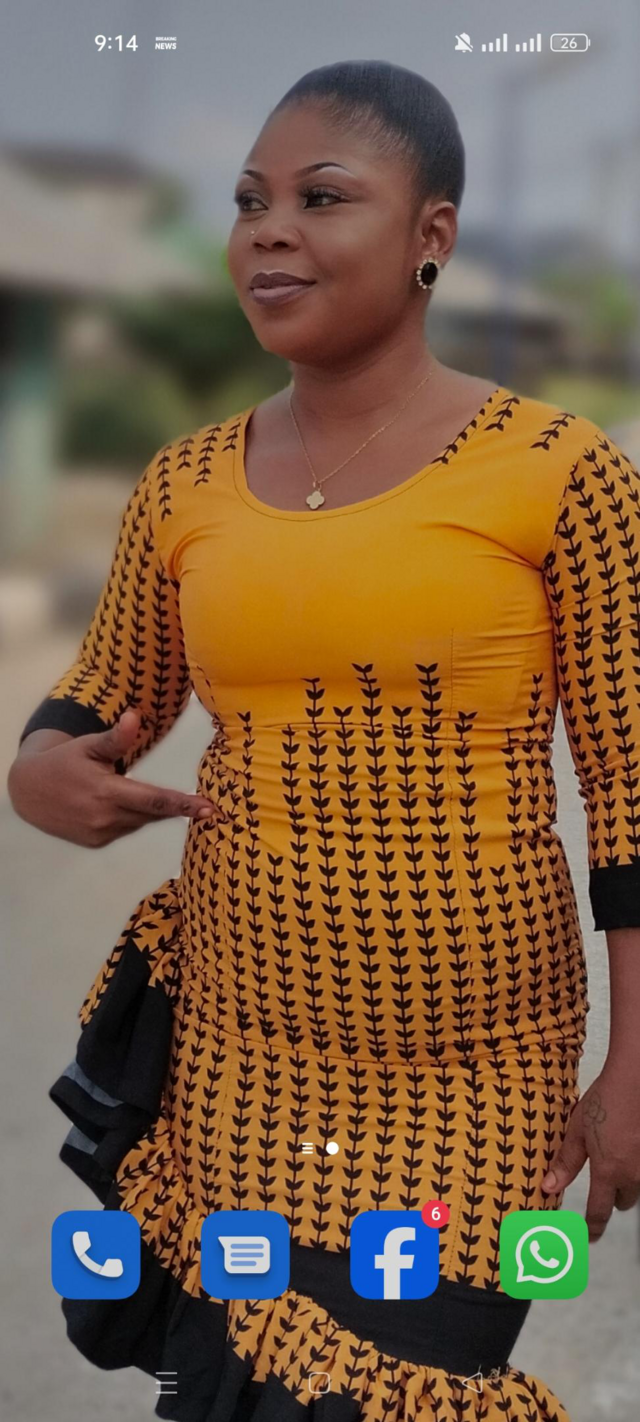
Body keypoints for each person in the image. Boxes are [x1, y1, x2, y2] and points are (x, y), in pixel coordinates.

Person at [9, 58, 640, 1422]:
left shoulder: (560, 470)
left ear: (432, 235)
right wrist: (42, 768)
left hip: (478, 1084)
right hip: (240, 1065)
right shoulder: (185, 482)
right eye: (249, 203)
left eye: (322, 197)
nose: (269, 231)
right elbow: (101, 690)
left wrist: (637, 1060)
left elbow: (633, 791)